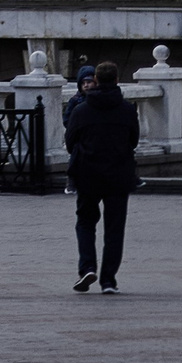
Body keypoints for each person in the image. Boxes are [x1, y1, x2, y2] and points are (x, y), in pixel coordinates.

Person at [63, 61, 139, 292]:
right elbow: (133, 141)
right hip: (119, 174)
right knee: (115, 228)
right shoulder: (127, 109)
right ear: (116, 80)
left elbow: (69, 143)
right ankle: (109, 280)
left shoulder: (81, 110)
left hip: (87, 174)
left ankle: (87, 267)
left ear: (95, 80)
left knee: (85, 222)